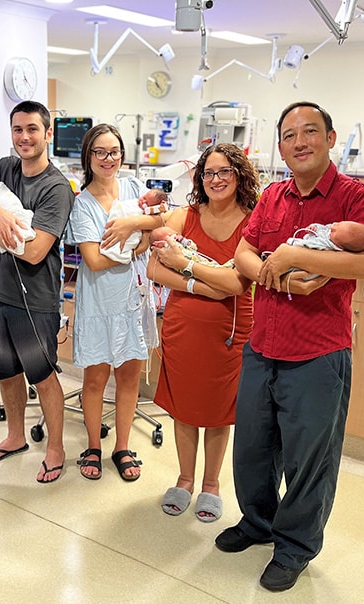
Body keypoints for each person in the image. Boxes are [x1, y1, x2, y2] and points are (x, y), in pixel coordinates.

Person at [218, 101, 364, 592]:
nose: (300, 142)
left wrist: (296, 255)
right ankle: (257, 522)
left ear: (330, 138)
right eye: (289, 135)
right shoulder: (273, 196)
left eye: (310, 131)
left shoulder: (358, 197)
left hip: (318, 353)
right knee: (253, 449)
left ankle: (294, 547)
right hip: (262, 346)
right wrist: (276, 276)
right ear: (280, 146)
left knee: (309, 459)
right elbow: (243, 252)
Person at [146, 143, 257, 522]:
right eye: (208, 173)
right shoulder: (185, 216)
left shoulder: (252, 222)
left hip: (230, 332)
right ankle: (185, 479)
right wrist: (203, 286)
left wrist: (185, 265)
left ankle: (211, 485)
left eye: (224, 171)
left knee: (219, 410)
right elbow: (154, 269)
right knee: (185, 407)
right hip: (183, 328)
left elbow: (238, 283)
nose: (216, 179)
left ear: (239, 175)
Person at [0, 101, 75, 484]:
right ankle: (15, 436)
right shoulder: (3, 169)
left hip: (34, 301)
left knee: (42, 375)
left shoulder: (56, 188)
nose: (24, 137)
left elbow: (34, 252)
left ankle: (56, 448)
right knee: (6, 371)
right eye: (18, 129)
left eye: (32, 129)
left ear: (48, 133)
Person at [64, 123, 158, 482]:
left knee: (129, 378)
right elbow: (94, 260)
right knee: (96, 379)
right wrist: (138, 243)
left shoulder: (133, 187)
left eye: (114, 152)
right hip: (100, 303)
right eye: (100, 152)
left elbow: (161, 218)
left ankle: (122, 447)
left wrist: (133, 225)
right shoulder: (82, 204)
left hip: (132, 300)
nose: (108, 158)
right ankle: (93, 445)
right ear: (88, 156)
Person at [101, 187, 169, 264]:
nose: (143, 201)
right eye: (144, 198)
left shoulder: (147, 214)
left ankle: (118, 252)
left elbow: (166, 217)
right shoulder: (133, 202)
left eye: (147, 203)